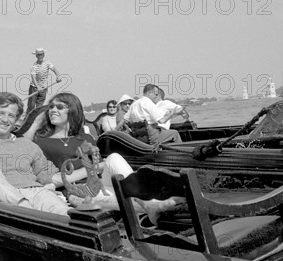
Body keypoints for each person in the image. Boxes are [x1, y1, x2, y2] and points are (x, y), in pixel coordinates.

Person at [25, 92, 183, 219]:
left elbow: (102, 167)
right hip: (75, 192)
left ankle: (147, 200)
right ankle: (151, 206)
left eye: (59, 107)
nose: (53, 110)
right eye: (51, 107)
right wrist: (36, 122)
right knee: (111, 193)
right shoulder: (42, 142)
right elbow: (50, 177)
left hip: (98, 183)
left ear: (72, 111)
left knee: (114, 157)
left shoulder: (84, 138)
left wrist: (98, 167)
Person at [0, 92, 86, 216]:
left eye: (11, 116)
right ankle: (26, 211)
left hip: (35, 192)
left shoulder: (27, 145)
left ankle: (33, 213)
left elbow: (48, 176)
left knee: (66, 217)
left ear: (16, 120)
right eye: (1, 113)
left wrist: (92, 169)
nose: (5, 120)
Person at [26, 48, 62, 115]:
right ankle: (26, 121)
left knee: (39, 107)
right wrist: (38, 87)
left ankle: (36, 122)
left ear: (43, 55)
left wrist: (58, 76)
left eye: (41, 54)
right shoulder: (34, 66)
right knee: (31, 106)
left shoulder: (48, 63)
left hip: (44, 88)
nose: (40, 56)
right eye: (38, 55)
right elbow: (33, 78)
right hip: (34, 88)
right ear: (36, 56)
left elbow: (54, 69)